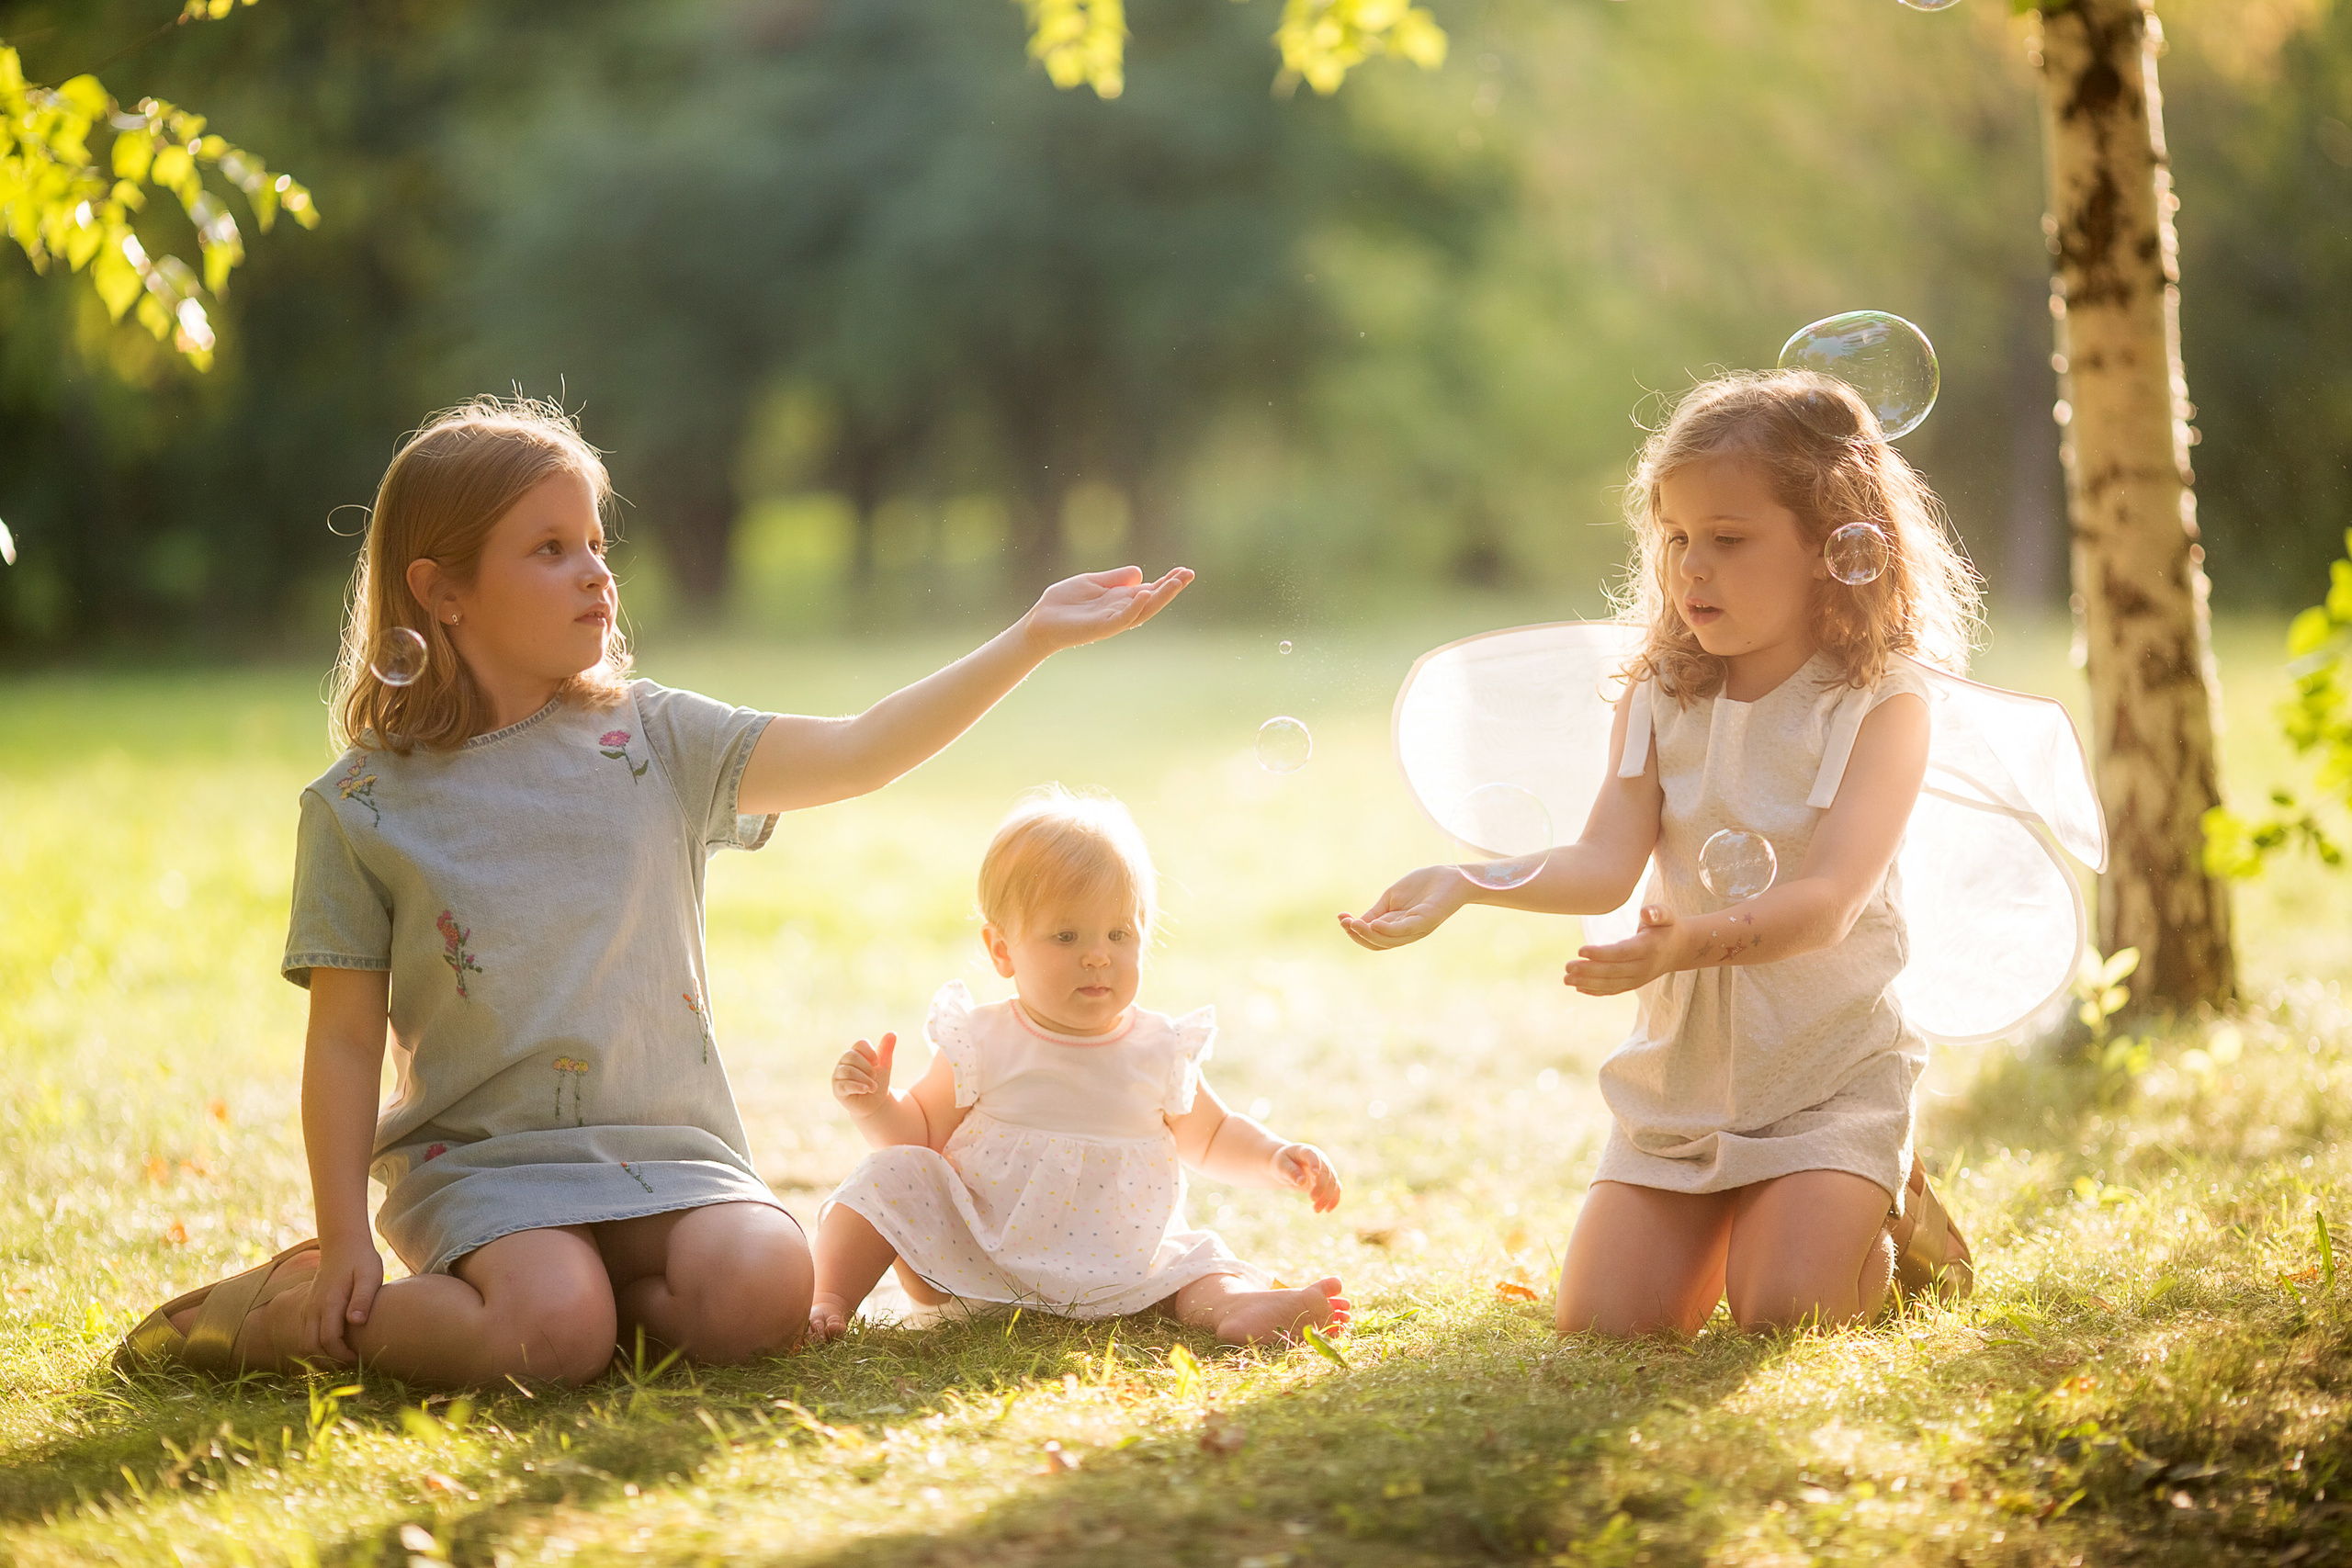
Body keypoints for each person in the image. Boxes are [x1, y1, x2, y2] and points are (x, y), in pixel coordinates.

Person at [116, 397, 1192, 1386]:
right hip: (491, 1171)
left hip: (672, 1154)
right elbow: (345, 1043)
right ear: (440, 593)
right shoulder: (361, 807)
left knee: (767, 1289)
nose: (596, 572)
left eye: (595, 542)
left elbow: (862, 750)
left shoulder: (657, 739)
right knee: (547, 1335)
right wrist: (345, 1232)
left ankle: (598, 1305)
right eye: (549, 549)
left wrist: (1031, 636)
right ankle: (273, 1313)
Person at [1342, 370, 1977, 1337]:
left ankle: (1882, 1205)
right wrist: (1463, 883)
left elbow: (1828, 903)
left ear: (1830, 547)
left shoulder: (1879, 703)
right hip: (1682, 1082)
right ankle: (1766, 1211)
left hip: (1824, 1074)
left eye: (1728, 539)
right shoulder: (1660, 694)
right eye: (1675, 539)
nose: (1691, 569)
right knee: (1603, 1324)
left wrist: (1682, 943)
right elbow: (1604, 861)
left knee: (1787, 1310)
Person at [806, 786, 1351, 1345]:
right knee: (890, 1176)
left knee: (1199, 1261)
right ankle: (828, 1297)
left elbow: (1212, 1136)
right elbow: (915, 1134)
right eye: (1066, 936)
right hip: (973, 1264)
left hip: (1119, 1270)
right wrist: (875, 1105)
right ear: (1002, 950)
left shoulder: (1159, 1048)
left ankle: (1237, 1307)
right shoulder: (983, 1038)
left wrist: (1275, 1157)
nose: (1097, 955)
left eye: (1119, 934)